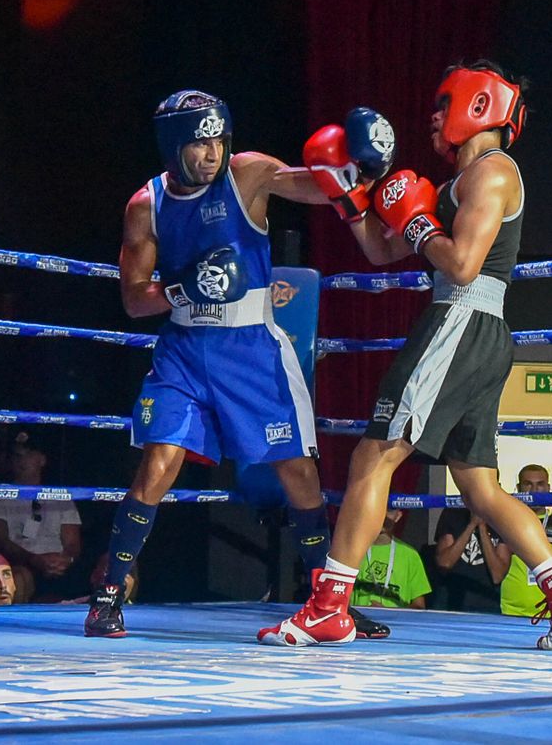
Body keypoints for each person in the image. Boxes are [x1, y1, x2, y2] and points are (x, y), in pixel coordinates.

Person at [261, 62, 552, 651]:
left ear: (479, 103)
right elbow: (379, 250)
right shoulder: (449, 186)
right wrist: (349, 193)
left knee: (373, 456)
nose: (434, 117)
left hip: (461, 319)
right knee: (480, 487)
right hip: (479, 332)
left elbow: (461, 264)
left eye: (444, 103)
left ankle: (329, 607)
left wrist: (416, 223)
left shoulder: (493, 172)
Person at [85, 90, 390, 641]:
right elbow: (134, 299)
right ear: (173, 145)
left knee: (298, 474)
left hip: (251, 348)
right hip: (183, 350)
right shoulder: (145, 205)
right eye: (200, 142)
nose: (212, 152)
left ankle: (329, 599)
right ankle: (108, 595)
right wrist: (182, 287)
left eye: (219, 139)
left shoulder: (246, 174)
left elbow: (312, 186)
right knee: (158, 465)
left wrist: (357, 171)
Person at [0, 434, 82, 602]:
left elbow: (73, 543)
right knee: (19, 578)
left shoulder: (61, 496)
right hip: (21, 564)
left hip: (60, 567)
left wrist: (66, 560)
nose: (21, 461)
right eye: (16, 456)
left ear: (42, 460)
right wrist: (34, 559)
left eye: (27, 455)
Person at [486, 465, 552, 618]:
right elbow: (496, 572)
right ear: (519, 488)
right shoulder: (506, 522)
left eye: (540, 484)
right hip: (509, 614)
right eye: (528, 484)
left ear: (548, 488)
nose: (534, 490)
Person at [352, 507, 432, 609]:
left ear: (398, 516)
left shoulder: (410, 555)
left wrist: (389, 613)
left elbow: (419, 606)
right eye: (380, 507)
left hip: (395, 624)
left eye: (389, 510)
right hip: (358, 622)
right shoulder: (353, 550)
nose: (383, 515)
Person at [430, 506, 502, 611]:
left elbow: (497, 575)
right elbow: (444, 563)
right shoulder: (453, 512)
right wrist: (471, 526)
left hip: (486, 604)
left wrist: (482, 527)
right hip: (450, 604)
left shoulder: (501, 517)